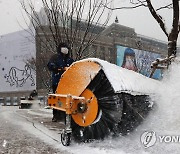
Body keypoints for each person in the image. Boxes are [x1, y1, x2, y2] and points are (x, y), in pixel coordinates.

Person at [47, 42, 74, 122]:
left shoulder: (70, 60)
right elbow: (50, 65)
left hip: (67, 83)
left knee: (67, 99)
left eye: (66, 48)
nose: (65, 49)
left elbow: (74, 68)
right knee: (57, 99)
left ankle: (65, 114)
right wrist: (60, 68)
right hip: (57, 81)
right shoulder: (55, 58)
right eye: (63, 47)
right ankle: (56, 115)